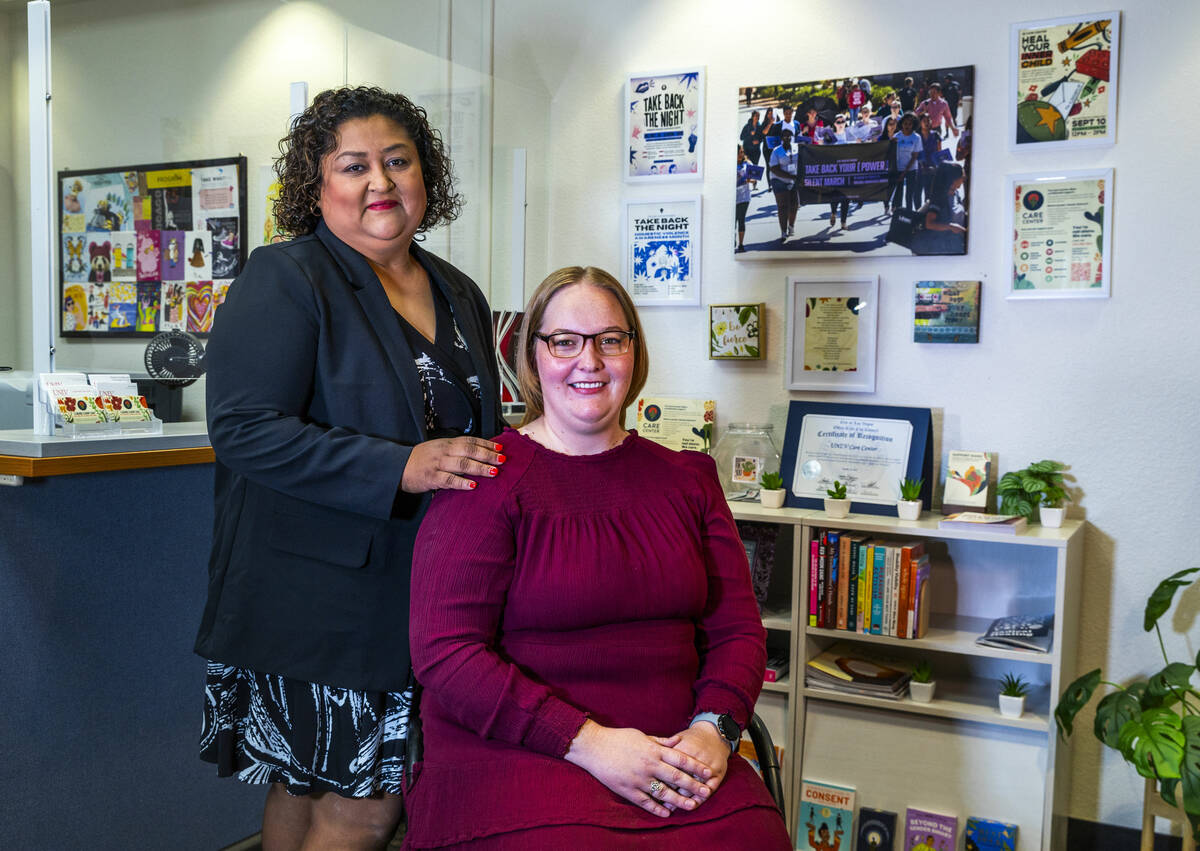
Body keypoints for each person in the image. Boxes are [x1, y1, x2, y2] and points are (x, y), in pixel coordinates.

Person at [195, 85, 507, 851]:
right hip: (320, 598)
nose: (381, 182)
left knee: (310, 787)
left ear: (425, 175)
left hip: (421, 584)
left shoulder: (456, 289)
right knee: (367, 802)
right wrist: (400, 466)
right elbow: (242, 429)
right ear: (317, 184)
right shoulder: (287, 277)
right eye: (354, 165)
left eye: (398, 161)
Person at [404, 265, 791, 850]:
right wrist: (593, 744)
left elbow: (737, 630)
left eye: (611, 340)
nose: (590, 361)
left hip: (676, 751)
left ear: (634, 353)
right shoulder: (483, 481)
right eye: (565, 342)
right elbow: (446, 654)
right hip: (519, 755)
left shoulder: (688, 479)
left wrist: (715, 729)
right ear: (533, 357)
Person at [912, 161, 967, 255]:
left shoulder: (956, 194)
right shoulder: (939, 198)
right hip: (943, 248)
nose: (964, 178)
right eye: (962, 176)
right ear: (953, 179)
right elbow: (929, 224)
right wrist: (950, 227)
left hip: (956, 244)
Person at [769, 126, 800, 239]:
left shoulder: (796, 148)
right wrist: (789, 176)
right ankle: (783, 231)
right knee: (783, 206)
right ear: (781, 138)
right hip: (779, 179)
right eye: (785, 136)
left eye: (789, 136)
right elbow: (774, 168)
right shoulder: (776, 151)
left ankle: (791, 226)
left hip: (794, 179)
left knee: (794, 205)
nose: (787, 138)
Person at [895, 111, 924, 210]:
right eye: (905, 123)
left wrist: (905, 171)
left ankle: (909, 215)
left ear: (913, 124)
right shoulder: (897, 137)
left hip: (911, 169)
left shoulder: (916, 138)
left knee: (909, 195)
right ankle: (898, 215)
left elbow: (915, 156)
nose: (907, 126)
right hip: (898, 168)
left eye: (910, 124)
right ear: (901, 124)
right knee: (898, 194)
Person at [739, 110, 763, 188]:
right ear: (752, 117)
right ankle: (747, 183)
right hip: (747, 149)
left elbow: (762, 137)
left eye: (758, 116)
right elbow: (741, 137)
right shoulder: (747, 126)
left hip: (756, 150)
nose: (757, 118)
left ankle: (754, 184)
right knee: (748, 167)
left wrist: (758, 141)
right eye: (755, 116)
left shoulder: (760, 127)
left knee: (755, 167)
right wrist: (750, 134)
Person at [736, 145, 751, 252]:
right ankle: (731, 240)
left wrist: (751, 180)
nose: (742, 154)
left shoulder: (748, 163)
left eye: (743, 152)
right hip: (732, 196)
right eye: (740, 152)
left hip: (744, 196)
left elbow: (754, 176)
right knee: (733, 221)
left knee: (741, 219)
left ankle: (741, 244)